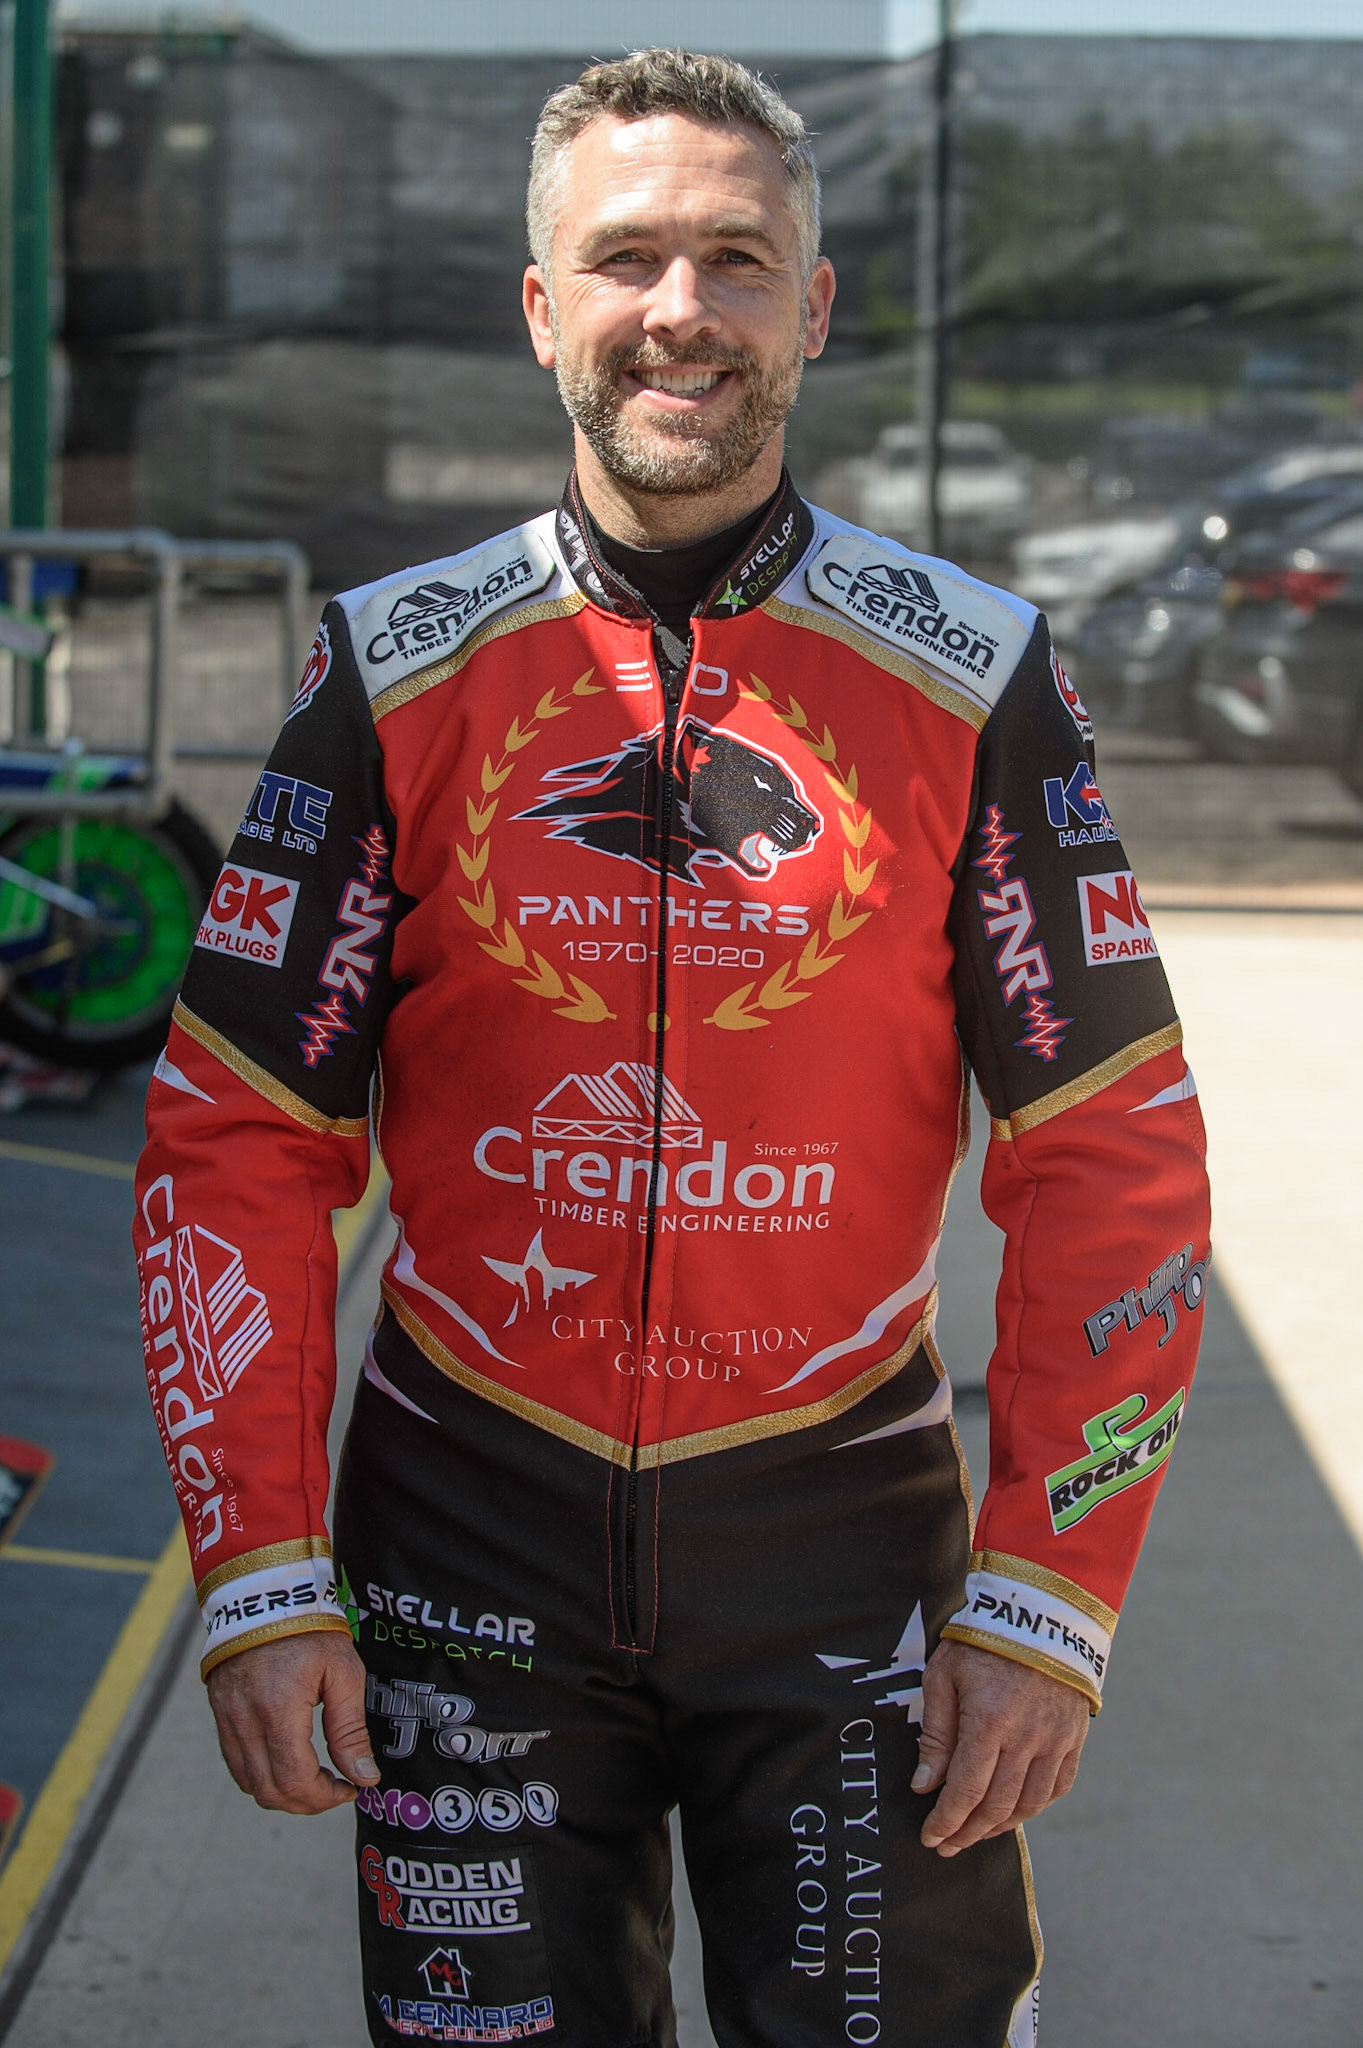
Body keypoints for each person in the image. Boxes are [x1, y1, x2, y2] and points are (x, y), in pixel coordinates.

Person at [134, 48, 1210, 2048]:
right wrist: (263, 1571)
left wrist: (1047, 1600)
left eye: (736, 256)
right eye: (627, 256)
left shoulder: (972, 671)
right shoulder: (390, 664)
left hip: (840, 1528)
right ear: (541, 303)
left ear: (812, 304)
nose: (679, 309)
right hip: (464, 1527)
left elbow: (1113, 1152)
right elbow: (238, 1136)